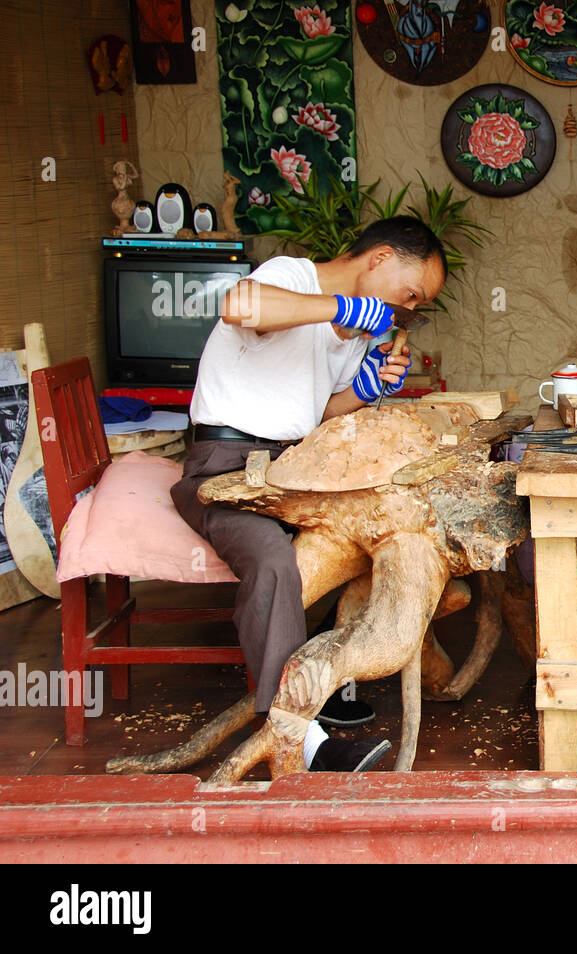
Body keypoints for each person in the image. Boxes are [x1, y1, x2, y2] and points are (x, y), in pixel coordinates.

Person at [172, 216, 448, 771]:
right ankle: (301, 737)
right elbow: (239, 307)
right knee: (275, 562)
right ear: (380, 258)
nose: (405, 310)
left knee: (378, 528)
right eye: (409, 294)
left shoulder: (349, 336)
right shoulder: (292, 277)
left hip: (292, 471)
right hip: (227, 470)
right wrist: (339, 308)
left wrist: (363, 388)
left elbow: (313, 415)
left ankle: (328, 682)